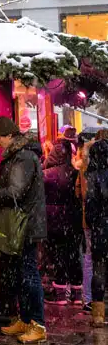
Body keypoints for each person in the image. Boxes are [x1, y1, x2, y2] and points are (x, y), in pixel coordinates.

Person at [0, 116, 47, 344]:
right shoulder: (20, 155)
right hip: (23, 223)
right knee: (22, 274)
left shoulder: (23, 157)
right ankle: (26, 319)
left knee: (29, 274)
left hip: (26, 225)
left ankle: (38, 325)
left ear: (10, 136)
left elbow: (16, 192)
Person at [43, 138, 83, 304]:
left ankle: (60, 294)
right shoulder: (75, 173)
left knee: (58, 255)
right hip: (73, 218)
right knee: (73, 255)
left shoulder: (46, 175)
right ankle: (77, 294)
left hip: (53, 220)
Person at [84, 136, 108, 327]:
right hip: (103, 224)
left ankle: (98, 315)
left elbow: (91, 205)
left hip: (101, 228)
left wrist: (93, 225)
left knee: (99, 269)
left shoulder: (93, 176)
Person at [75, 131, 95, 311]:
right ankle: (94, 297)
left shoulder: (82, 168)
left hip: (88, 216)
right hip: (98, 217)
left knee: (89, 257)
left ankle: (87, 298)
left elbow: (78, 191)